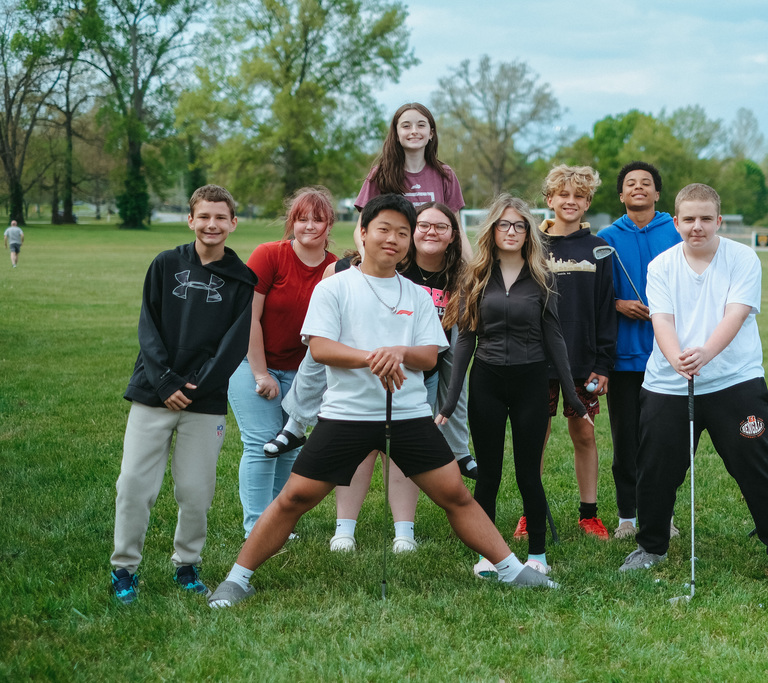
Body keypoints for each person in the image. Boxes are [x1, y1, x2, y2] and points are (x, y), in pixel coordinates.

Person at [207, 194, 556, 608]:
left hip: (409, 415)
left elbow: (428, 356)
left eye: (402, 233)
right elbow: (320, 348)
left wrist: (400, 352)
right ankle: (237, 579)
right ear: (364, 232)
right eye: (384, 229)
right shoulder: (334, 287)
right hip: (345, 415)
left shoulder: (416, 295)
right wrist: (375, 357)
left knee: (456, 495)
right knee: (294, 498)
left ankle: (512, 570)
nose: (393, 239)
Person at [620, 183, 768, 586]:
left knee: (757, 466)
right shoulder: (661, 266)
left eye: (706, 218)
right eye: (689, 219)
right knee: (655, 470)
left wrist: (705, 353)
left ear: (719, 220)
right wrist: (676, 359)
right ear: (676, 222)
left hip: (734, 380)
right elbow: (662, 320)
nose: (697, 226)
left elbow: (735, 314)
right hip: (668, 383)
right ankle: (651, 547)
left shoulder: (743, 257)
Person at [109, 185, 257, 604]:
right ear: (190, 220)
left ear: (233, 223)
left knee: (195, 491)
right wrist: (165, 382)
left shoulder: (242, 280)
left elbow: (233, 345)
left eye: (220, 217)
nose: (212, 224)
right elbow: (148, 327)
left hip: (203, 401)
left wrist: (197, 386)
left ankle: (187, 564)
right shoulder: (165, 264)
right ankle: (124, 569)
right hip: (153, 392)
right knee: (133, 484)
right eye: (204, 216)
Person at [437, 194, 590, 578]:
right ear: (492, 229)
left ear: (528, 232)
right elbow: (465, 339)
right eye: (504, 224)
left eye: (519, 225)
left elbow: (554, 337)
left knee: (528, 475)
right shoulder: (475, 276)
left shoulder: (542, 277)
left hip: (530, 381)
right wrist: (450, 401)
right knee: (488, 475)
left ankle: (537, 553)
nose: (511, 231)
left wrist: (573, 398)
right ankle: (487, 555)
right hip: (487, 381)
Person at [328, 201, 474, 554]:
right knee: (360, 451)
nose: (430, 232)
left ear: (454, 235)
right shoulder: (376, 270)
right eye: (423, 225)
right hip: (364, 374)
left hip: (419, 375)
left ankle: (404, 532)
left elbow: (442, 350)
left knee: (402, 453)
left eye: (441, 226)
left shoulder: (456, 277)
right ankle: (344, 529)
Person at [227, 187, 338, 537]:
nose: (309, 226)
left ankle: (277, 524)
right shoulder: (269, 255)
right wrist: (261, 373)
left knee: (289, 448)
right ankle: (256, 528)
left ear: (330, 224)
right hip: (251, 363)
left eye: (318, 219)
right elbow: (249, 316)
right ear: (292, 221)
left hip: (303, 373)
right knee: (261, 443)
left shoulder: (336, 268)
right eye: (302, 219)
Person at [596, 162, 681, 539]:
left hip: (668, 356)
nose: (638, 187)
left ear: (657, 194)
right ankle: (627, 516)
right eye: (630, 183)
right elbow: (595, 295)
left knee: (663, 441)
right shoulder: (606, 238)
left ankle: (663, 515)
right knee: (626, 440)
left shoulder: (676, 232)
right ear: (621, 195)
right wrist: (618, 304)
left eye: (646, 183)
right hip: (625, 358)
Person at [531, 164, 615, 540]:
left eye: (579, 196)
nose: (570, 201)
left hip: (583, 361)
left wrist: (603, 364)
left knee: (584, 434)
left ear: (587, 203)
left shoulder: (598, 249)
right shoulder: (531, 244)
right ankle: (531, 511)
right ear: (549, 199)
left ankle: (589, 514)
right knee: (536, 437)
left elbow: (605, 309)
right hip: (535, 360)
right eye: (563, 194)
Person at [353, 103, 471, 256]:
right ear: (396, 134)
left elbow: (458, 230)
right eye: (406, 126)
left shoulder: (445, 175)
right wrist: (366, 259)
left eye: (421, 125)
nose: (414, 131)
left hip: (433, 262)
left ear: (431, 133)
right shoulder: (380, 175)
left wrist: (472, 266)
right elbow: (361, 228)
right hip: (394, 261)